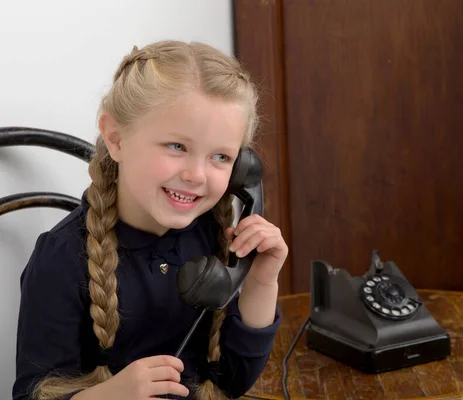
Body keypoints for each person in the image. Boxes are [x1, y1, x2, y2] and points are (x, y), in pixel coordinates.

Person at [12, 40, 287, 400]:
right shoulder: (60, 259)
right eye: (177, 146)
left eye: (220, 156)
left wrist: (261, 282)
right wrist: (111, 394)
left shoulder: (215, 240)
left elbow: (232, 382)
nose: (196, 175)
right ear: (116, 139)